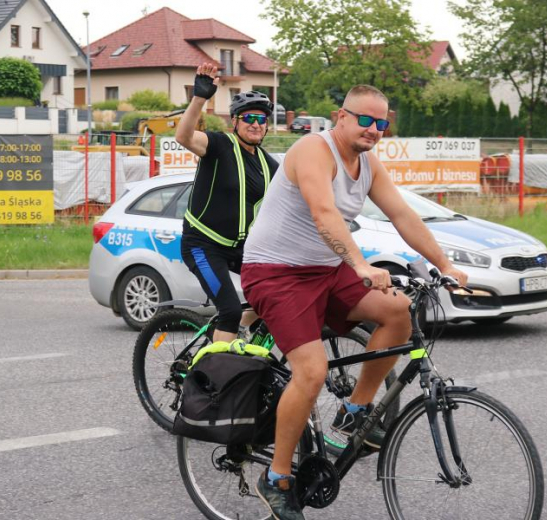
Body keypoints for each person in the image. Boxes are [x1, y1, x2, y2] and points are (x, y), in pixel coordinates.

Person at [241, 85, 469, 519]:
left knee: (399, 310)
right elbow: (323, 212)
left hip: (326, 271)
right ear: (339, 116)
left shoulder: (367, 163)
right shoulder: (313, 149)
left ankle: (354, 412)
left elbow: (402, 215)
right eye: (364, 119)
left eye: (382, 123)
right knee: (311, 371)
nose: (373, 129)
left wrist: (444, 264)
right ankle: (276, 477)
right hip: (276, 272)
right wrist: (361, 264)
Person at [176, 63, 279, 342]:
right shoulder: (219, 146)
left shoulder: (269, 165)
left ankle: (240, 334)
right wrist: (200, 97)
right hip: (203, 246)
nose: (256, 124)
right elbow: (183, 137)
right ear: (235, 121)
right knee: (230, 310)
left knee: (276, 293)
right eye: (248, 118)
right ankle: (220, 378)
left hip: (241, 248)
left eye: (261, 119)